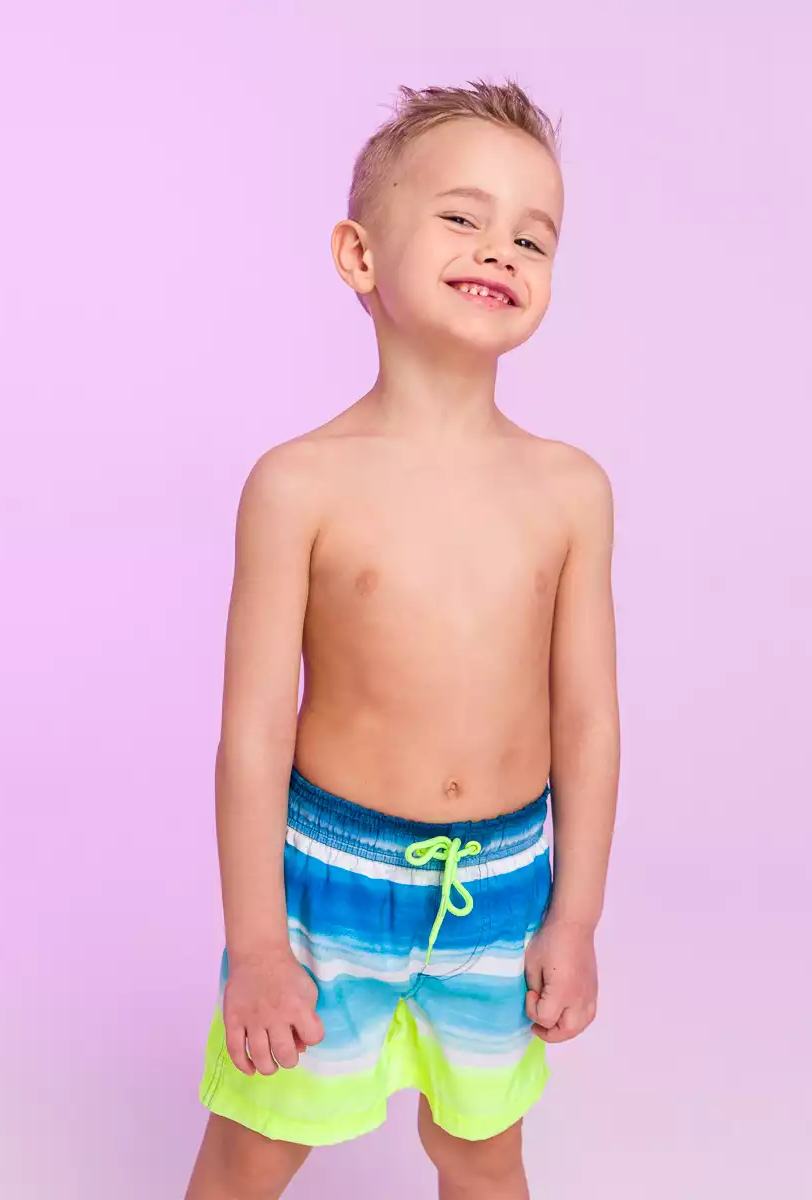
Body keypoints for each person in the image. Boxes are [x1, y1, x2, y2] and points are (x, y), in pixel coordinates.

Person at [184, 79, 620, 1200]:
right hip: (329, 888)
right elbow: (251, 734)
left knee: (481, 1152)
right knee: (254, 1146)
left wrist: (574, 917)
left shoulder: (569, 490)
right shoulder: (299, 483)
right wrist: (258, 946)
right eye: (463, 216)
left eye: (533, 236)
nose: (501, 249)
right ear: (359, 255)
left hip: (501, 888)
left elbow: (587, 720)